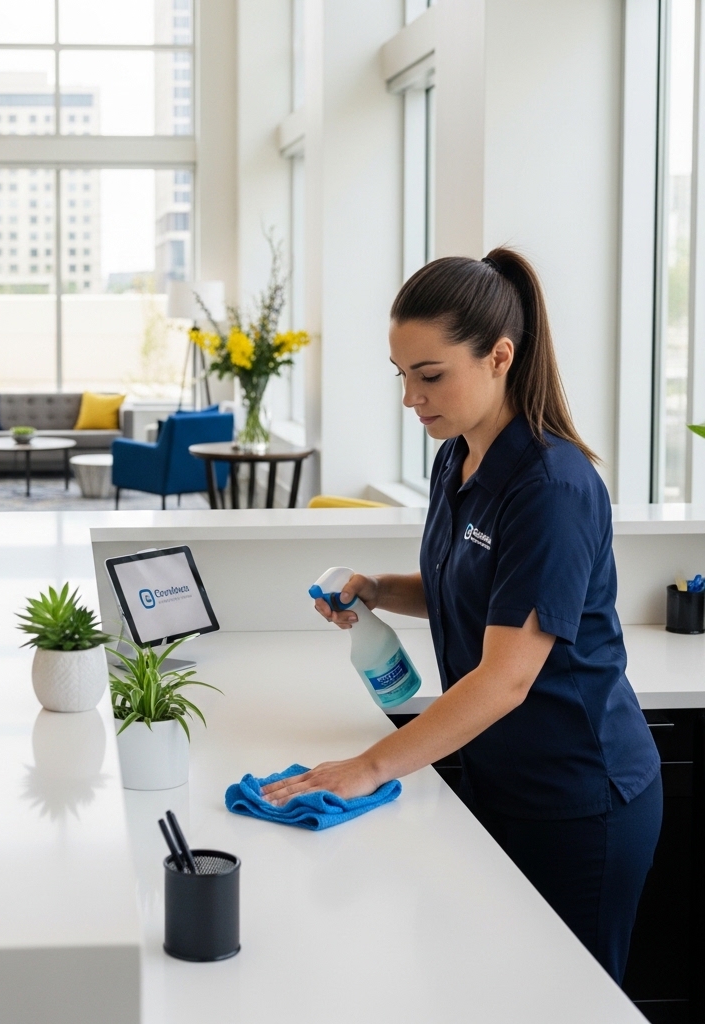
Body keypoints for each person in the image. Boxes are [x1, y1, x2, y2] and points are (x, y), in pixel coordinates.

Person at [263, 247, 662, 984]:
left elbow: (507, 678)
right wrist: (378, 589)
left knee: (562, 1000)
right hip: (496, 780)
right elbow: (468, 586)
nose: (412, 398)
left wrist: (367, 767)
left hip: (578, 800)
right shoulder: (460, 456)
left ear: (499, 357)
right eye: (402, 376)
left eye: (430, 375)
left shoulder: (553, 487)